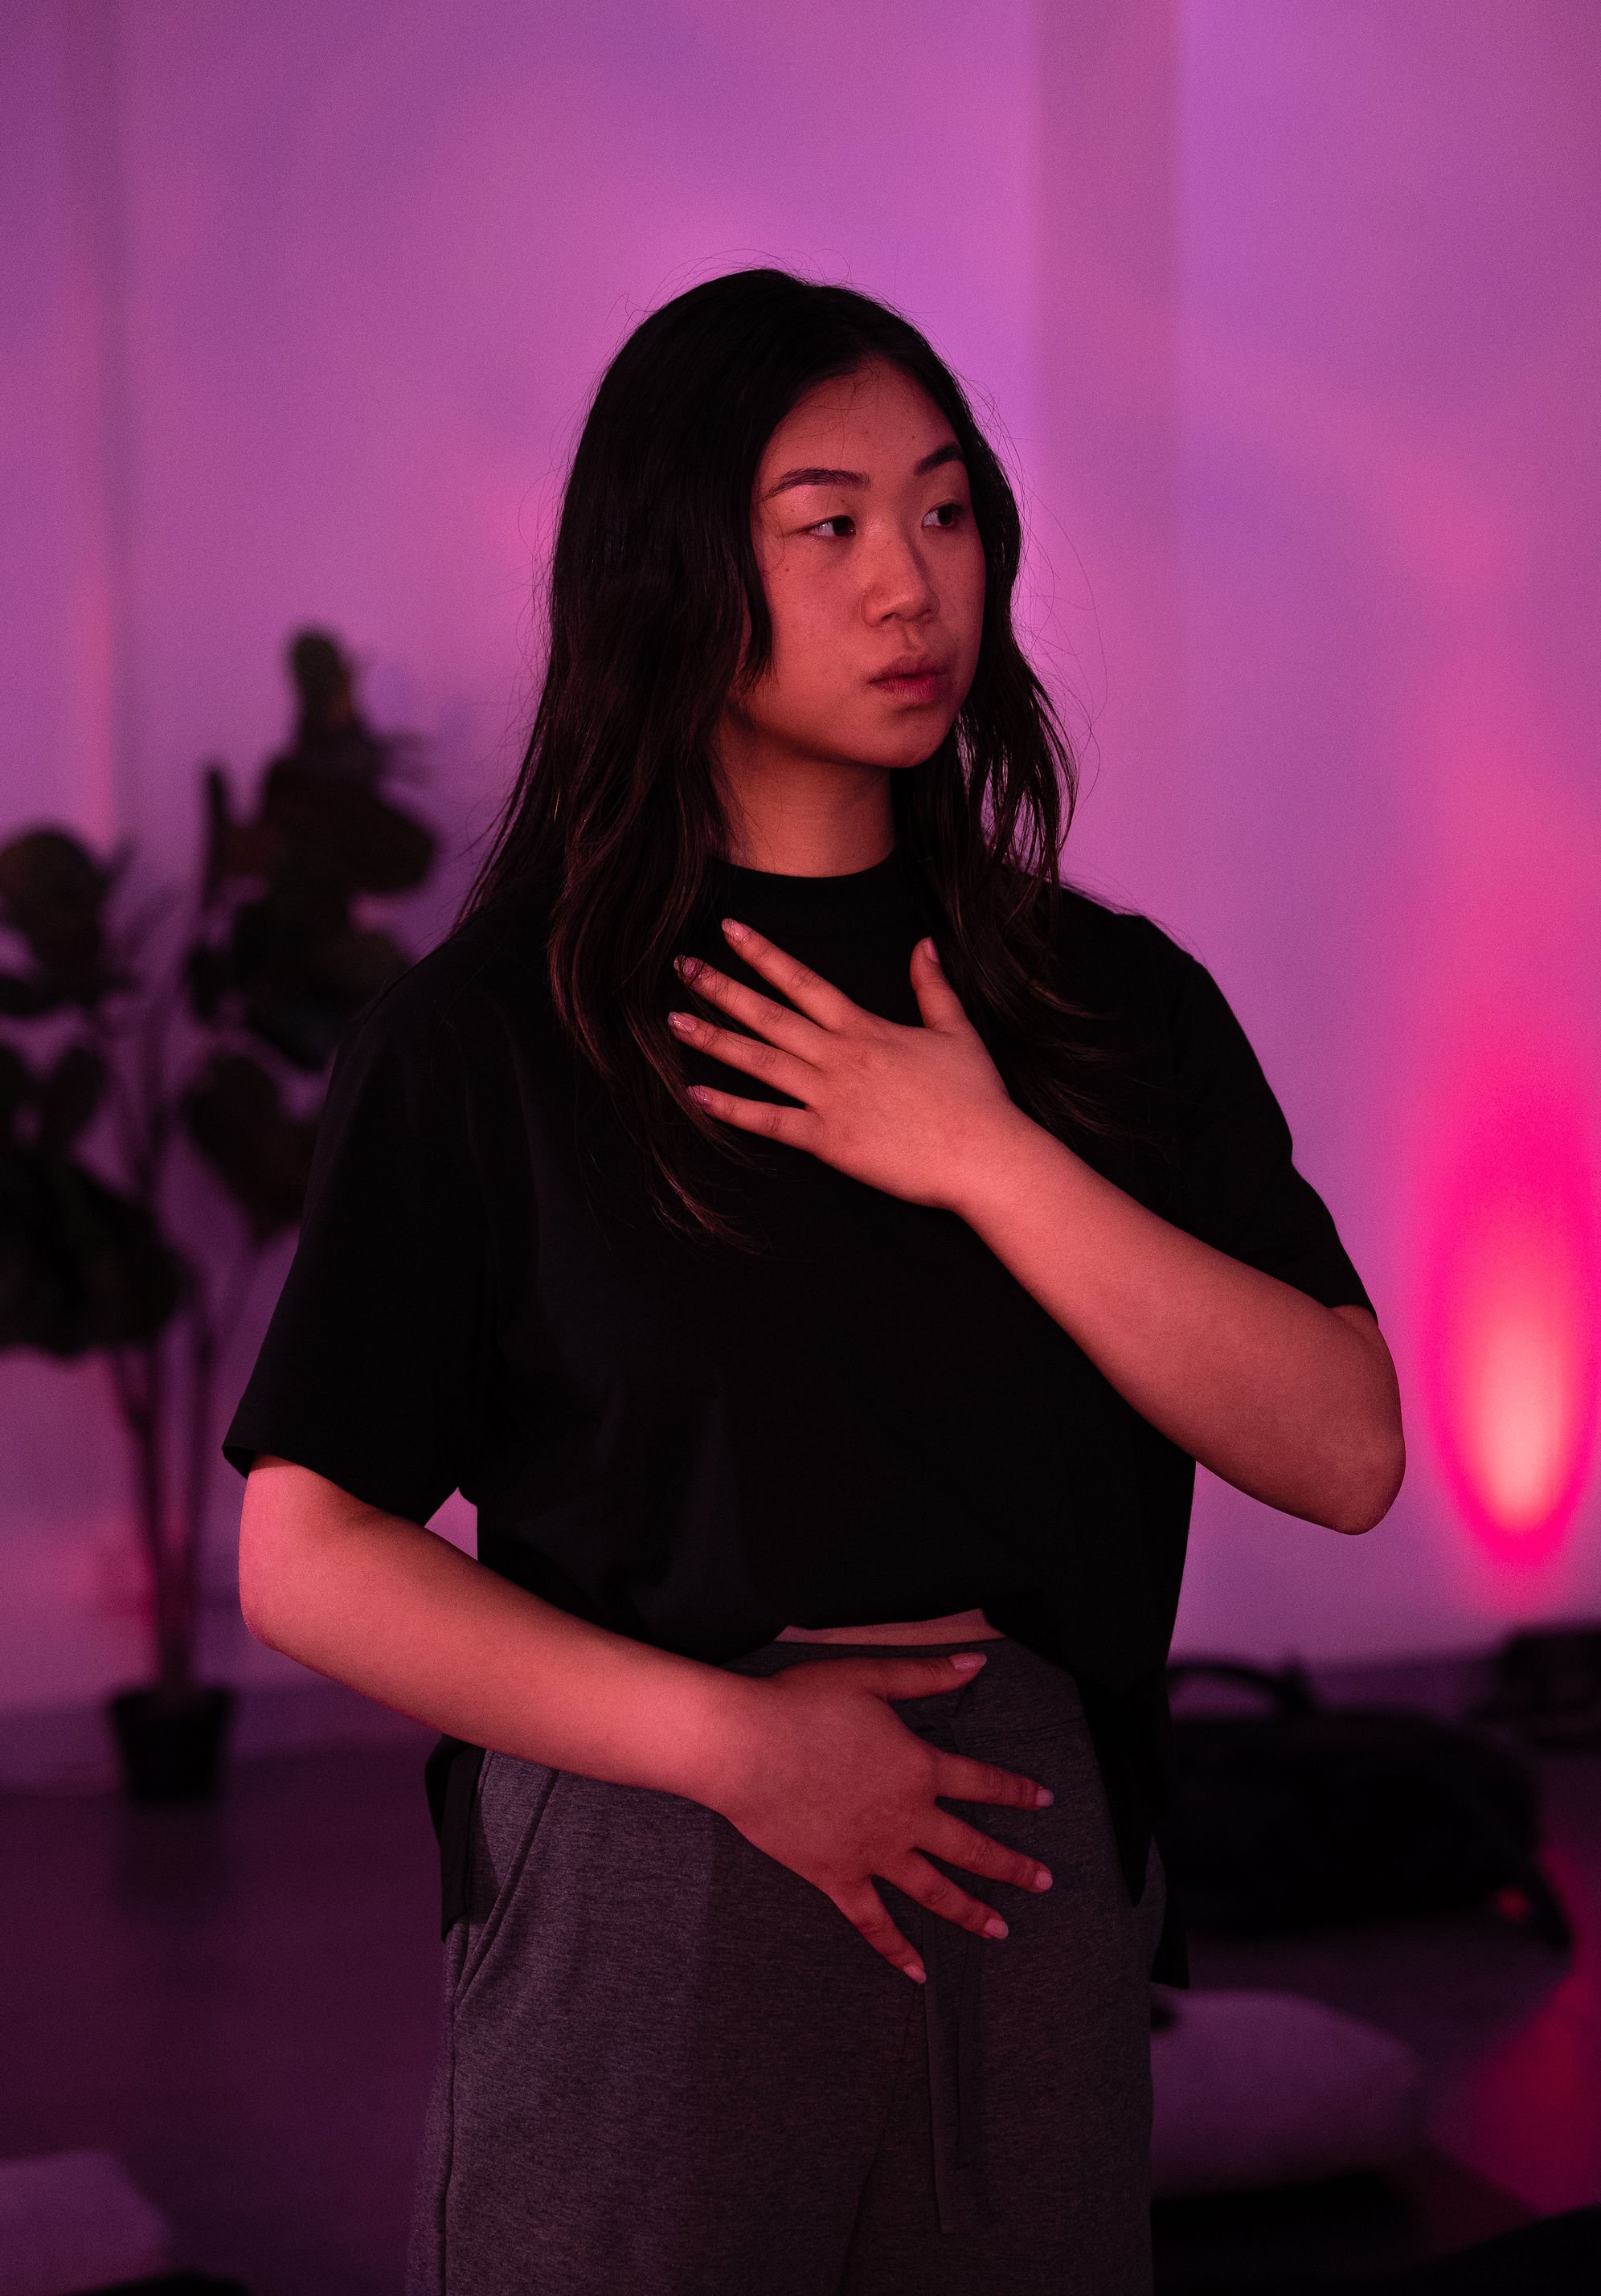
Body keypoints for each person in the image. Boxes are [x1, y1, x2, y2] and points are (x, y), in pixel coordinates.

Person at [229, 269, 1403, 2296]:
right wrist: (735, 1747)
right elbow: (308, 1545)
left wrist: (984, 1159)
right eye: (830, 522)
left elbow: (1345, 1445)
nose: (909, 586)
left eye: (946, 512)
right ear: (679, 569)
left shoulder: (1106, 1005)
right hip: (648, 1884)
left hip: (1030, 1897)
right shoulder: (493, 1037)